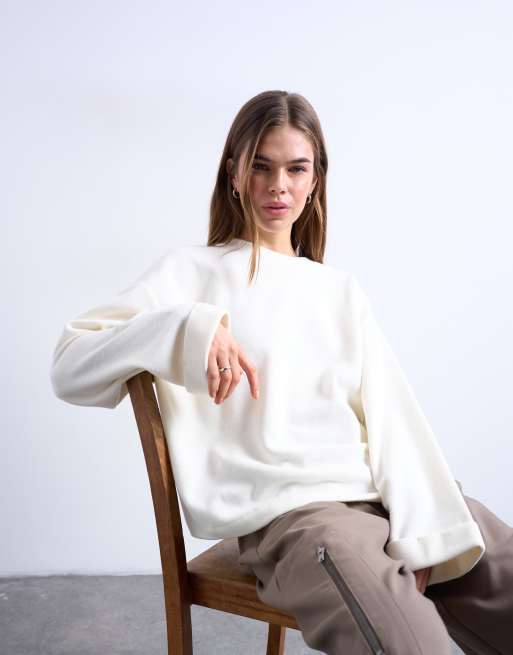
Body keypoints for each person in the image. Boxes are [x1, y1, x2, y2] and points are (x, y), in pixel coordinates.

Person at [50, 90, 512, 654]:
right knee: (411, 642)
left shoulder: (338, 290)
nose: (278, 185)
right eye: (261, 166)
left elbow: (396, 421)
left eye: (296, 168)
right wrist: (187, 329)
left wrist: (423, 529)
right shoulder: (190, 273)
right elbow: (70, 364)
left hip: (388, 496)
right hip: (302, 517)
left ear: (315, 180)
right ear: (234, 174)